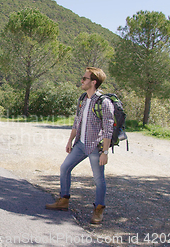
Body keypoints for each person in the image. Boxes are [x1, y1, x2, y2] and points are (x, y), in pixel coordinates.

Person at [45, 67, 114, 225]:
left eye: (84, 78)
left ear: (93, 82)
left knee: (99, 179)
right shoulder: (83, 99)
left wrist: (105, 152)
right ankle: (63, 200)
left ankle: (98, 210)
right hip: (81, 144)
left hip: (95, 147)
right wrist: (70, 141)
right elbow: (77, 121)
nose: (81, 81)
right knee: (65, 168)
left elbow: (108, 130)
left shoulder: (104, 102)